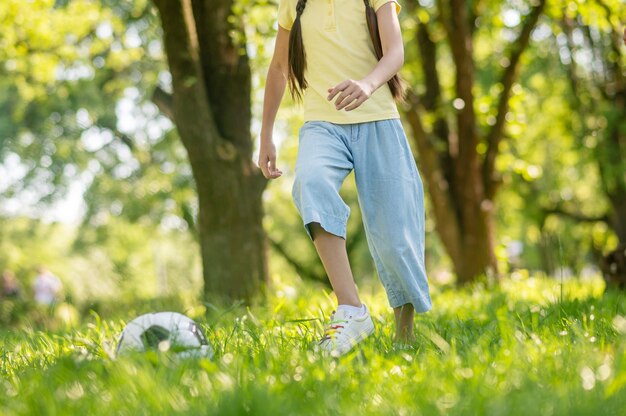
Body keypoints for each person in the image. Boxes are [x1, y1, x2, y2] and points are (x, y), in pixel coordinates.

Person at [258, 0, 432, 355]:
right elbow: (278, 68)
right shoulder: (294, 3)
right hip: (322, 123)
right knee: (311, 183)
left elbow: (395, 52)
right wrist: (265, 135)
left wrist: (368, 85)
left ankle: (404, 338)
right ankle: (351, 308)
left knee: (396, 238)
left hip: (379, 119)